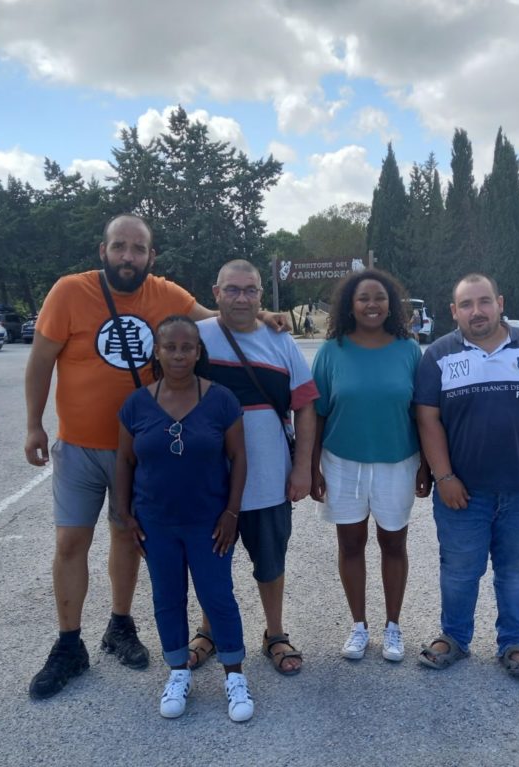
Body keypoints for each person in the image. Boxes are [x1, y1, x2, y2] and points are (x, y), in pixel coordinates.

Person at [24, 213, 284, 700]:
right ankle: (68, 643)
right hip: (80, 443)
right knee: (71, 542)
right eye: (119, 247)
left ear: (151, 255)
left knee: (128, 536)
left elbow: (219, 316)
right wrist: (34, 423)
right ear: (103, 251)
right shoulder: (69, 292)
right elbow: (40, 360)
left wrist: (264, 315)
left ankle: (120, 624)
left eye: (138, 249)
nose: (128, 256)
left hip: (145, 449)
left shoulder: (167, 294)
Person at [413, 273, 519, 681]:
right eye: (466, 304)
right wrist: (444, 476)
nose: (477, 311)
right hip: (463, 492)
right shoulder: (438, 355)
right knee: (459, 570)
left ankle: (514, 643)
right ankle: (454, 638)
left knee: (517, 571)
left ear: (500, 303)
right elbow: (427, 418)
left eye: (484, 301)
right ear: (454, 312)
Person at [114, 316, 253, 722]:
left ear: (198, 352)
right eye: (170, 347)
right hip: (156, 522)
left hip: (209, 522)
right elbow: (124, 461)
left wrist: (232, 512)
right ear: (157, 352)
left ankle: (234, 675)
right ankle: (178, 671)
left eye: (187, 347)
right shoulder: (136, 403)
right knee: (167, 596)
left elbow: (239, 457)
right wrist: (125, 515)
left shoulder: (221, 399)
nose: (178, 354)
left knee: (217, 595)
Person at [190, 260, 318, 676]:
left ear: (261, 295)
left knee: (271, 560)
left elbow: (305, 406)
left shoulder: (281, 340)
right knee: (210, 561)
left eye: (250, 290)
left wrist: (302, 468)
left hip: (269, 477)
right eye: (232, 289)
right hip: (209, 480)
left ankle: (275, 634)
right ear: (216, 293)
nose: (241, 298)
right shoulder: (196, 338)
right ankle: (208, 631)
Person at [310, 268, 430, 663]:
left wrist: (426, 465)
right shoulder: (332, 351)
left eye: (380, 297)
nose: (372, 304)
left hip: (398, 462)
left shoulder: (409, 350)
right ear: (350, 304)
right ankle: (358, 625)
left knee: (393, 543)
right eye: (363, 298)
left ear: (391, 305)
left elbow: (422, 413)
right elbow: (317, 414)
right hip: (342, 461)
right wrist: (311, 467)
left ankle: (393, 625)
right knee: (350, 544)